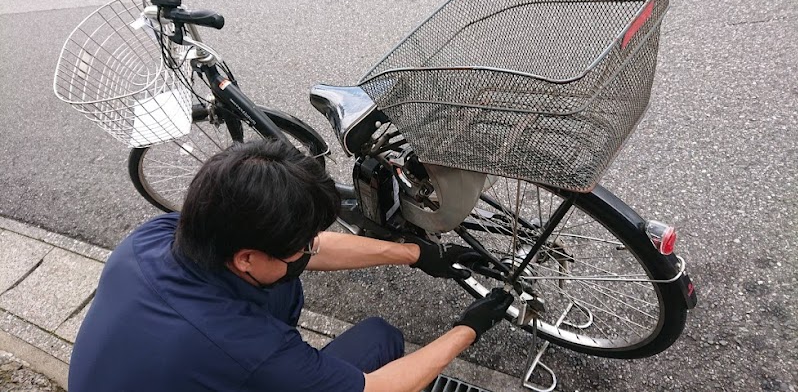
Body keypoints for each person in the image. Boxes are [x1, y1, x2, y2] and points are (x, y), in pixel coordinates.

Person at [69, 140, 513, 392]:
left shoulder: (158, 236)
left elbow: (312, 247)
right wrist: (468, 327)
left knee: (284, 288)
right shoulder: (249, 348)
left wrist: (418, 254)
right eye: (297, 248)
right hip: (226, 357)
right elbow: (377, 389)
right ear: (246, 258)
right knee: (381, 338)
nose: (308, 252)